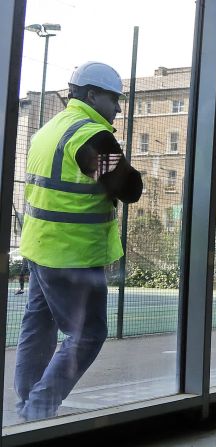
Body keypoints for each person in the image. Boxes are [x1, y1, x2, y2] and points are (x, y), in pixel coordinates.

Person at [16, 61, 142, 421]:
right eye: (114, 99)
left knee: (38, 329)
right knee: (88, 334)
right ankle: (38, 410)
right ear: (91, 94)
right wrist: (133, 171)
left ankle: (26, 406)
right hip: (72, 254)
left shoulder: (50, 129)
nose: (118, 108)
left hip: (39, 249)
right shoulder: (91, 136)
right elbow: (128, 188)